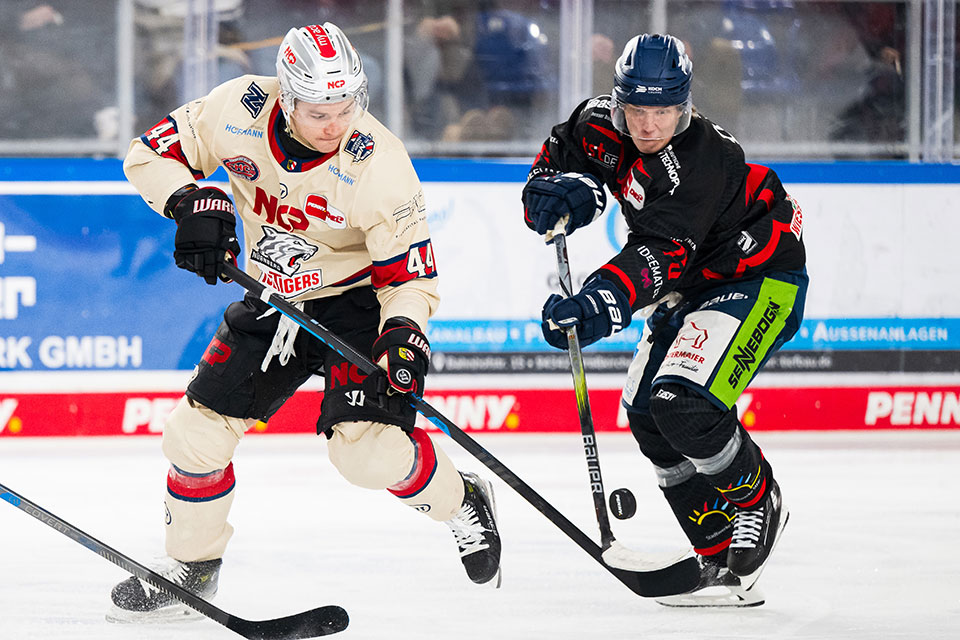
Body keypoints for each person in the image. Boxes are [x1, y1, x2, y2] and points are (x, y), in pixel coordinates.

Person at [108, 22, 502, 622]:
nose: (334, 124)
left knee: (365, 456)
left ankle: (463, 500)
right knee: (194, 435)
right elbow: (148, 154)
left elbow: (411, 277)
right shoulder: (235, 107)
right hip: (274, 294)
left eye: (345, 107)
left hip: (359, 303)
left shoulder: (380, 163)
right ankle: (193, 568)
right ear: (285, 99)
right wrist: (188, 203)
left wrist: (403, 334)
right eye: (318, 111)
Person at [521, 33, 806, 607]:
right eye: (638, 110)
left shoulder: (705, 158)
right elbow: (560, 157)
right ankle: (715, 554)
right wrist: (556, 195)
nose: (649, 125)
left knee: (684, 402)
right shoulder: (596, 123)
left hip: (757, 277)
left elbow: (659, 254)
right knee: (649, 415)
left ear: (686, 105)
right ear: (617, 100)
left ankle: (756, 499)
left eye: (665, 111)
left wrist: (594, 305)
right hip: (691, 286)